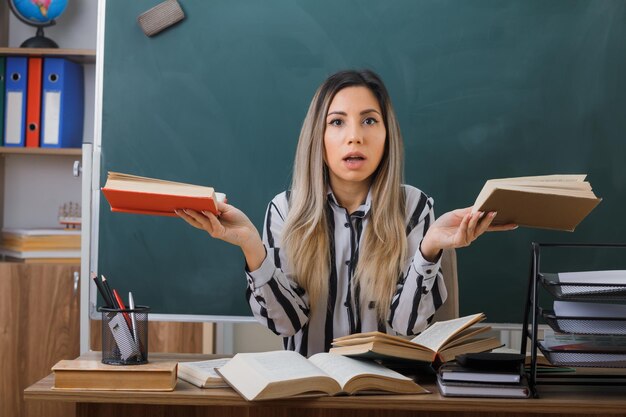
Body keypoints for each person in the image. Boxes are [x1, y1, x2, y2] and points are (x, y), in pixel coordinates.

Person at [177, 69, 516, 356]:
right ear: (318, 137)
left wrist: (429, 250)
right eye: (337, 122)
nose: (355, 137)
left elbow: (408, 325)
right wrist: (253, 248)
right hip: (309, 396)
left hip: (389, 393)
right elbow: (285, 324)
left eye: (369, 120)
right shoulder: (284, 210)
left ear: (387, 136)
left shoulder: (414, 207)